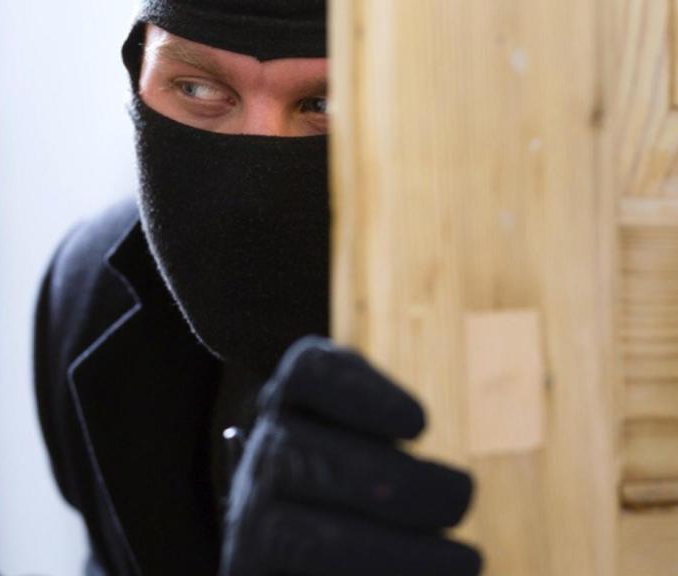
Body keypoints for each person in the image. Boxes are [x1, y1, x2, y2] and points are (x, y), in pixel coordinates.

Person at [34, 1, 483, 574]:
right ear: (138, 67)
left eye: (325, 105)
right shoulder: (88, 292)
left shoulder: (529, 351)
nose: (252, 194)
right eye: (196, 89)